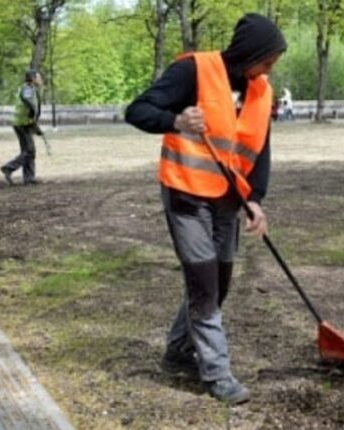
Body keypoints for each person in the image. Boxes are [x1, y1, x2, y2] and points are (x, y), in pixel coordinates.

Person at [124, 13, 286, 405]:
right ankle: (217, 373)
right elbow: (137, 110)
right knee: (204, 283)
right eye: (267, 60)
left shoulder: (261, 90)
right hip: (186, 195)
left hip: (227, 200)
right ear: (249, 53)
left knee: (219, 282)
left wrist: (255, 199)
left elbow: (260, 149)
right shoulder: (193, 71)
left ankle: (178, 352)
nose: (270, 69)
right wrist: (176, 119)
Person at [1, 69, 43, 185]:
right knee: (29, 151)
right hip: (21, 124)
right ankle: (9, 167)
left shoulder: (31, 88)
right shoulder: (27, 89)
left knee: (28, 151)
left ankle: (29, 178)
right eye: (38, 77)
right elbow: (26, 99)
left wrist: (35, 126)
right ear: (33, 78)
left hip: (25, 123)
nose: (40, 79)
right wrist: (32, 109)